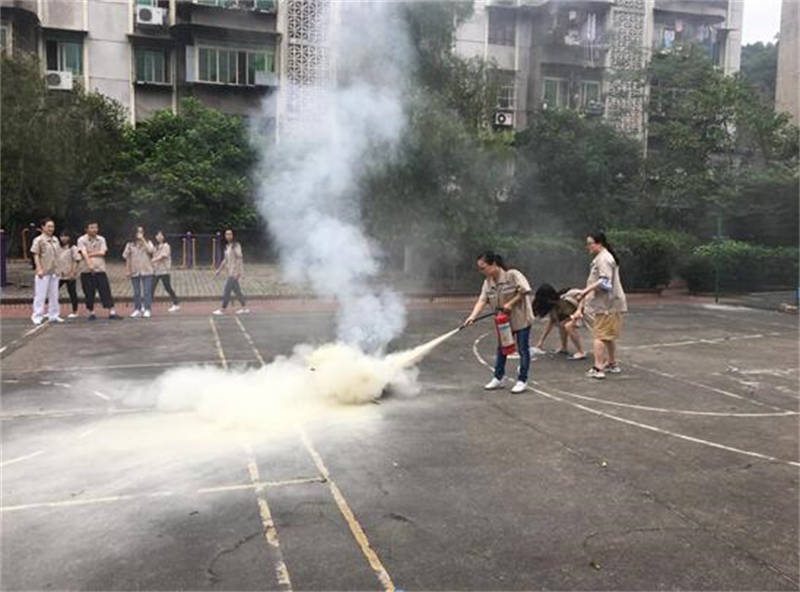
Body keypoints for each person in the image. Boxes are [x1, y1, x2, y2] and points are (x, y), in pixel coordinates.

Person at [464, 251, 533, 394]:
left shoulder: (512, 275)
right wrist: (472, 316)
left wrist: (510, 303)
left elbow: (525, 290)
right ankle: (499, 377)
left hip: (521, 319)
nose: (481, 271)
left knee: (523, 349)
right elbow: (483, 300)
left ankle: (522, 380)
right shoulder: (488, 282)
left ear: (494, 264)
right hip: (504, 321)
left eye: (483, 268)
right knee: (502, 348)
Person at [571, 232, 627, 379]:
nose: (588, 246)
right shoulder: (604, 257)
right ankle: (612, 363)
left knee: (599, 336)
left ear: (599, 243)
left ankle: (598, 368)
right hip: (611, 304)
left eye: (590, 243)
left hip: (607, 305)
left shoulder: (604, 259)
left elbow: (605, 282)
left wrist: (585, 292)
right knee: (607, 335)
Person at [77, 221, 120, 321]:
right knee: (89, 292)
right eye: (91, 227)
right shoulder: (81, 240)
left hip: (100, 269)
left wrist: (90, 254)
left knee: (105, 290)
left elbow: (102, 252)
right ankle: (91, 312)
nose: (94, 230)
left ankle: (112, 312)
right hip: (86, 270)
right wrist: (89, 263)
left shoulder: (101, 239)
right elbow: (83, 253)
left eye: (96, 227)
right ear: (86, 229)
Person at [531, 283, 586, 360]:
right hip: (577, 314)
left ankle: (581, 351)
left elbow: (584, 294)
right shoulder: (554, 306)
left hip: (587, 312)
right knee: (562, 324)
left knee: (568, 326)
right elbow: (551, 322)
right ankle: (564, 347)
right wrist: (540, 342)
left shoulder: (568, 295)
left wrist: (579, 309)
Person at [30, 218, 63, 325]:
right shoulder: (38, 240)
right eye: (48, 226)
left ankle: (54, 315)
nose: (51, 229)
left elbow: (58, 255)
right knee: (40, 295)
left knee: (54, 295)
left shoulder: (55, 239)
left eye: (52, 226)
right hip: (43, 271)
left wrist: (60, 269)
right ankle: (37, 315)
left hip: (54, 271)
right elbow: (36, 255)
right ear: (43, 227)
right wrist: (39, 269)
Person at [212, 229, 249, 316]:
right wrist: (219, 270)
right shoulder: (227, 246)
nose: (228, 236)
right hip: (230, 272)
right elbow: (225, 260)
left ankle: (222, 309)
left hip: (234, 273)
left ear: (233, 235)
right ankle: (244, 308)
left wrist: (238, 272)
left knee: (227, 290)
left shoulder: (236, 245)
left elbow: (239, 258)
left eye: (230, 234)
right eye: (226, 234)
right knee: (237, 291)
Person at [122, 225, 155, 318]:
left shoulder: (148, 242)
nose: (140, 234)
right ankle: (137, 309)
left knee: (147, 291)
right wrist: (127, 270)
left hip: (147, 270)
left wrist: (143, 240)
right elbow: (126, 257)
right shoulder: (130, 244)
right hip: (135, 270)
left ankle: (147, 309)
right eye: (138, 232)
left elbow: (151, 251)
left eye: (141, 232)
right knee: (136, 292)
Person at [150, 231, 180, 313]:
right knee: (151, 288)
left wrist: (153, 260)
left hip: (164, 270)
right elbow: (149, 250)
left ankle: (176, 303)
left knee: (167, 287)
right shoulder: (155, 247)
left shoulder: (166, 246)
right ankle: (147, 306)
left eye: (161, 235)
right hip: (156, 270)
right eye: (157, 235)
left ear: (164, 237)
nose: (159, 237)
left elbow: (163, 256)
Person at [57, 230, 81, 319]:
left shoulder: (73, 248)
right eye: (62, 236)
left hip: (69, 274)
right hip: (59, 274)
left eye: (65, 236)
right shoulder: (58, 247)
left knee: (72, 293)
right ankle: (53, 310)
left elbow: (76, 260)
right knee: (53, 292)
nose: (63, 238)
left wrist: (73, 272)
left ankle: (75, 311)